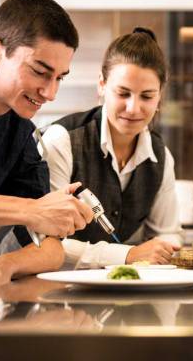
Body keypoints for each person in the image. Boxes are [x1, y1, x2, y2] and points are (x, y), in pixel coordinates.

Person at [0, 0, 95, 283]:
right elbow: (36, 212)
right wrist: (33, 210)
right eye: (40, 71)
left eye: (59, 78)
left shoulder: (20, 136)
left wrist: (1, 268)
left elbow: (50, 247)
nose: (50, 93)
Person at [37, 27, 182, 268]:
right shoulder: (61, 141)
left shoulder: (161, 156)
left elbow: (167, 234)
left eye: (147, 96)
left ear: (159, 97)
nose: (134, 108)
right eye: (123, 93)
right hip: (38, 285)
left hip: (106, 289)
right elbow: (46, 241)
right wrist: (128, 255)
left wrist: (163, 249)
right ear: (102, 86)